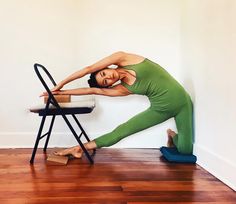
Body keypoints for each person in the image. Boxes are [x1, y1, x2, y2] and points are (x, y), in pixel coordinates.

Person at [41, 51, 193, 158]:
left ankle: (172, 136)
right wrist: (62, 93)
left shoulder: (124, 58)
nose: (109, 77)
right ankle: (78, 148)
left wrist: (60, 83)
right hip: (160, 110)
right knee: (121, 132)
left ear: (105, 68)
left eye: (103, 74)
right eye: (106, 82)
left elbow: (88, 69)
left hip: (184, 103)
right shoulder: (123, 89)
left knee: (186, 150)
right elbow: (91, 90)